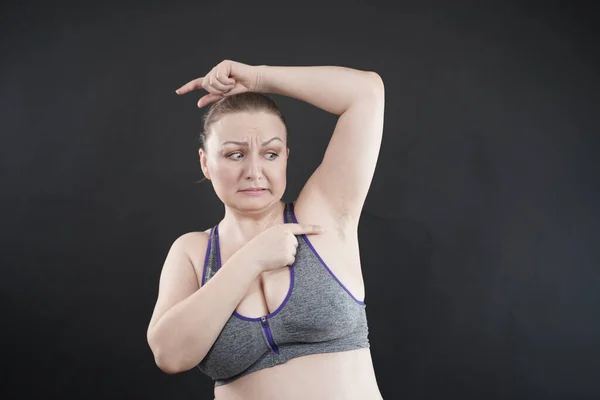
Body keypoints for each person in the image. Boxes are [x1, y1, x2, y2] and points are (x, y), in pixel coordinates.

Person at [146, 60, 385, 400]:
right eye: (235, 154)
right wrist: (251, 259)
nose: (254, 171)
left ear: (286, 156)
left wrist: (259, 78)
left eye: (270, 153)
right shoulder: (193, 252)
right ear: (205, 162)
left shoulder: (326, 213)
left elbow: (366, 93)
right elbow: (169, 355)